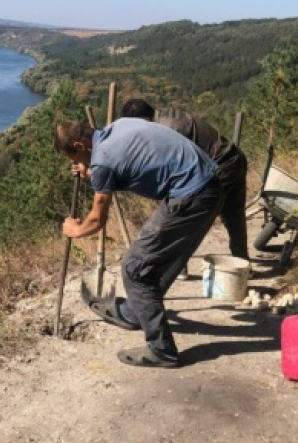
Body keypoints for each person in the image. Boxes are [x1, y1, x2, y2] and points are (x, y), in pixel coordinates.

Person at [56, 119, 223, 368]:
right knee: (162, 259)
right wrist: (89, 169)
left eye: (75, 157)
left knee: (134, 268)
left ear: (80, 145)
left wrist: (75, 230)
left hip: (190, 195)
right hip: (212, 182)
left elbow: (96, 220)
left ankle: (162, 350)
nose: (76, 164)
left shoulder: (101, 161)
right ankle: (135, 313)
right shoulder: (120, 126)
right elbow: (126, 162)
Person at [120, 98, 250, 266]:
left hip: (220, 167)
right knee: (234, 217)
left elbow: (176, 170)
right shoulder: (166, 118)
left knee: (185, 217)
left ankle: (178, 267)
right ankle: (242, 264)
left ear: (143, 120)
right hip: (233, 159)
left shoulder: (167, 130)